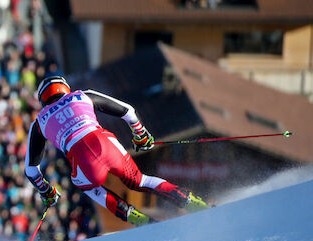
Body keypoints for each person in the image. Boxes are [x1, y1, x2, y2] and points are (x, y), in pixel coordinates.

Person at [24, 76, 210, 227]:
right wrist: (141, 135)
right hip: (105, 142)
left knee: (87, 186)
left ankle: (135, 217)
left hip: (81, 158)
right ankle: (189, 200)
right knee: (140, 180)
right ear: (66, 88)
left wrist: (46, 191)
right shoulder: (82, 95)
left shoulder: (39, 122)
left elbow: (31, 170)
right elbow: (127, 110)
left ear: (43, 100)